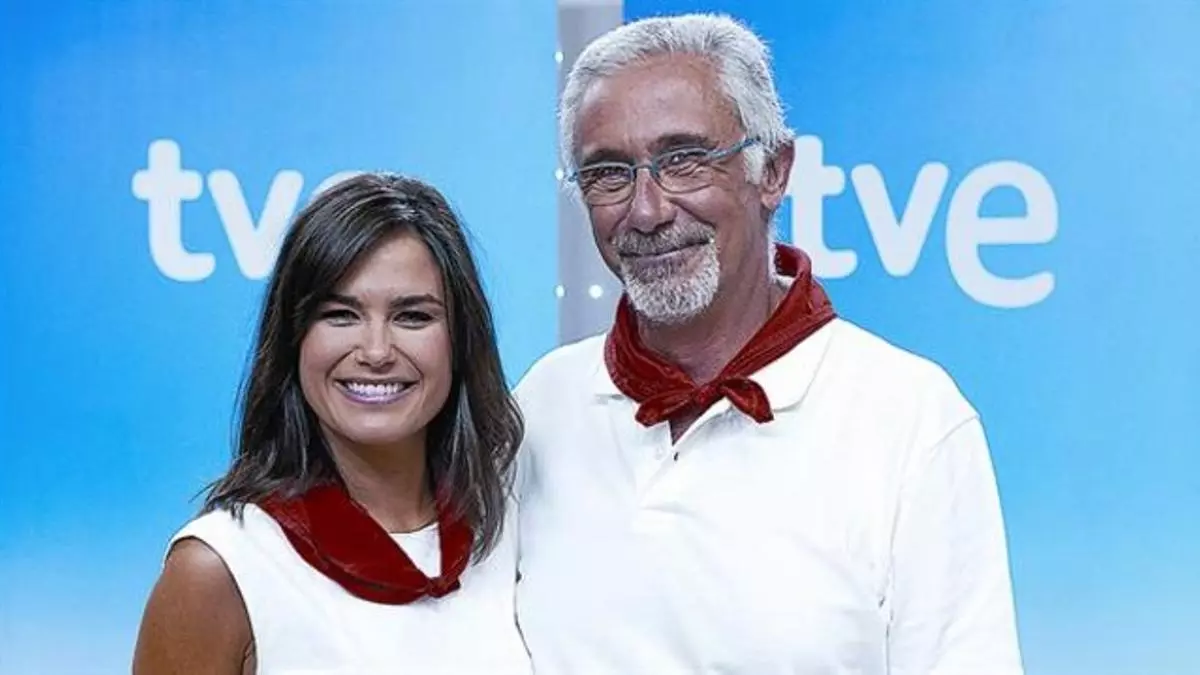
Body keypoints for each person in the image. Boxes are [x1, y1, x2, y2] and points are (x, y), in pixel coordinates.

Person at [514, 13, 1024, 674]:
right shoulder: (541, 406)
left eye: (684, 160)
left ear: (774, 171)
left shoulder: (910, 418)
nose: (646, 210)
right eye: (609, 173)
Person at [133, 173, 531, 674]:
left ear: (461, 341)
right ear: (294, 339)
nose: (376, 351)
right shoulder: (221, 570)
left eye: (412, 316)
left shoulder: (510, 531)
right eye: (340, 315)